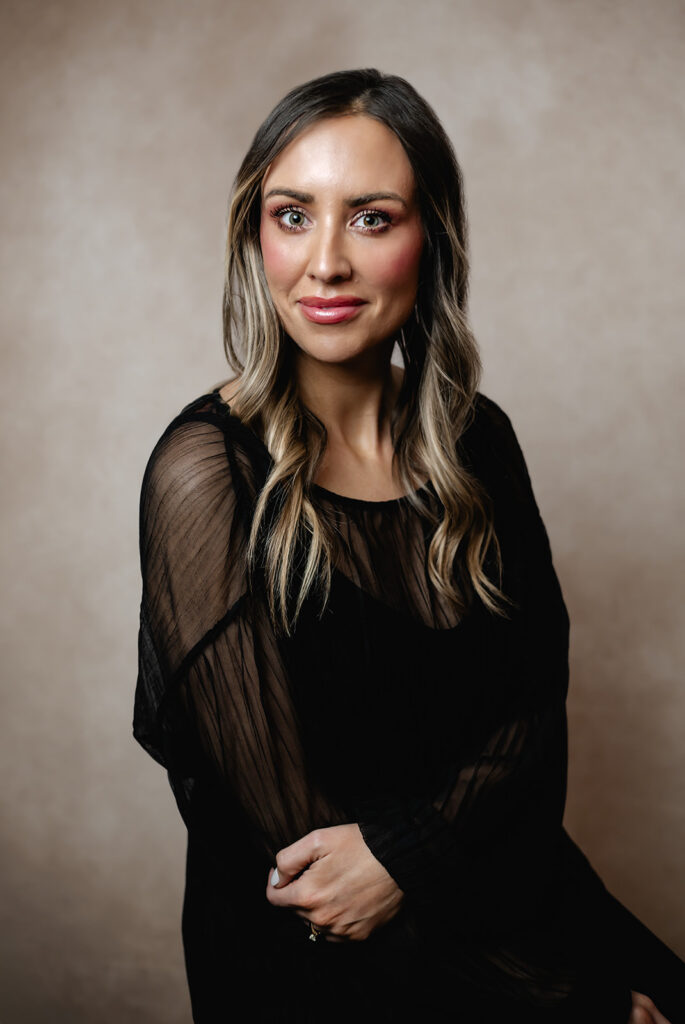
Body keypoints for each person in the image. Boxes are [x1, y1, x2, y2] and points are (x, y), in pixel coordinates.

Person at [133, 69, 684, 1023]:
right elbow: (307, 870)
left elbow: (528, 719)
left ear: (431, 238)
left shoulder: (477, 440)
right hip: (325, 966)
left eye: (373, 218)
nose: (326, 264)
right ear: (253, 237)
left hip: (509, 889)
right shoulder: (204, 472)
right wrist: (569, 1002)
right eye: (293, 216)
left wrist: (412, 851)